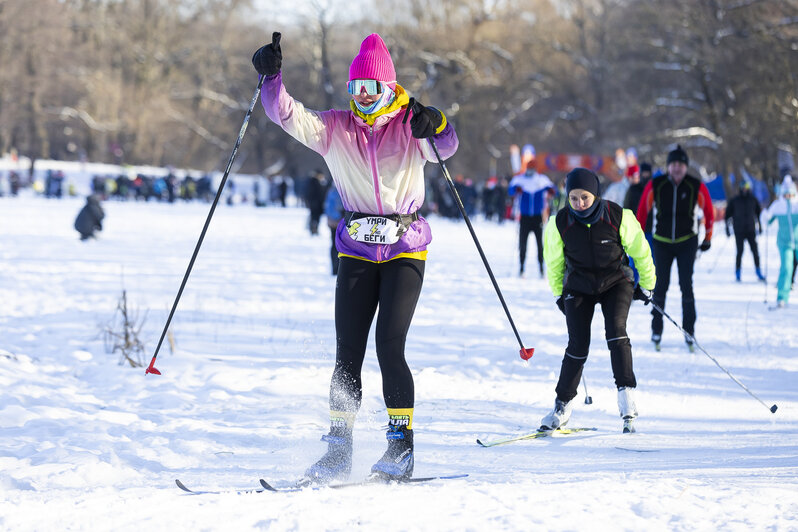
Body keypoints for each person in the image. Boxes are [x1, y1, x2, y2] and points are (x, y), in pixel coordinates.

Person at [252, 32, 458, 483]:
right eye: (356, 89)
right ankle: (338, 449)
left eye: (372, 88)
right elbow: (286, 114)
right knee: (348, 352)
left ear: (388, 89)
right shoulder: (334, 128)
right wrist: (272, 78)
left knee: (389, 345)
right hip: (356, 250)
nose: (363, 97)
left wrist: (437, 123)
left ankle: (400, 446)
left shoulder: (408, 124)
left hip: (406, 249)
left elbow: (445, 148)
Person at [542, 168, 655, 434]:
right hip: (579, 285)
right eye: (573, 198)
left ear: (596, 195)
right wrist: (559, 293)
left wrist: (648, 286)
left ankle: (627, 397)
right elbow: (554, 263)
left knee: (616, 330)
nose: (579, 204)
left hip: (615, 282)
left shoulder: (619, 216)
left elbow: (641, 252)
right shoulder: (559, 224)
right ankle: (562, 406)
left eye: (585, 198)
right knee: (578, 344)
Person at [636, 145, 714, 351]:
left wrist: (707, 237)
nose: (677, 168)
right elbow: (643, 210)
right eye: (673, 164)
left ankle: (689, 331)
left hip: (687, 242)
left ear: (686, 167)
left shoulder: (695, 185)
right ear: (668, 166)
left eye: (681, 165)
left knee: (686, 286)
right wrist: (639, 237)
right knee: (660, 286)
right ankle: (656, 329)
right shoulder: (657, 184)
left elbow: (709, 211)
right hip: (662, 242)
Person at [508, 163, 555, 277]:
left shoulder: (541, 180)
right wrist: (516, 189)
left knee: (540, 244)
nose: (530, 171)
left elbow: (554, 191)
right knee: (522, 244)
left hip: (537, 217)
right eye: (529, 168)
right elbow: (510, 190)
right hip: (524, 217)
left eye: (532, 169)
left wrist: (550, 190)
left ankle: (541, 269)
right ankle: (522, 268)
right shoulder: (520, 180)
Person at [763, 176, 798, 308]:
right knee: (787, 268)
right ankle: (782, 297)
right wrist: (765, 217)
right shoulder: (778, 206)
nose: (788, 196)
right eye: (786, 194)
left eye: (791, 193)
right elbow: (768, 221)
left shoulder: (797, 205)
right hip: (784, 243)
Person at [725, 180, 765, 282]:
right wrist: (727, 229)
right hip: (739, 230)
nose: (745, 190)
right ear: (740, 189)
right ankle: (738, 272)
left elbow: (758, 214)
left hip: (751, 229)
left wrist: (760, 227)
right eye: (743, 188)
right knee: (740, 252)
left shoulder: (753, 199)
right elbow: (727, 216)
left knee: (755, 251)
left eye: (746, 188)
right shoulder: (735, 200)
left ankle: (758, 271)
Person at [324, 185, 344, 275]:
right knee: (337, 246)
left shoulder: (331, 190)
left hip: (334, 222)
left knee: (335, 246)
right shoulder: (337, 191)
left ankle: (336, 268)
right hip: (337, 223)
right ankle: (336, 268)